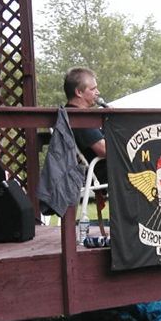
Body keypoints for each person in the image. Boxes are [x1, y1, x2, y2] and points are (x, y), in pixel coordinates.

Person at [63, 66, 108, 215]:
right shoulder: (79, 118)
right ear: (79, 92)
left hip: (102, 168)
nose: (98, 92)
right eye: (93, 89)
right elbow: (104, 150)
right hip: (105, 171)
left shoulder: (71, 114)